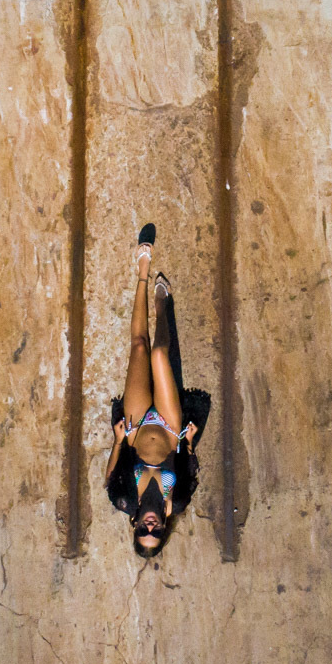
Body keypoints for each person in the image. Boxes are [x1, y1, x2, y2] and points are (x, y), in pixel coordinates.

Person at [105, 225, 200, 558]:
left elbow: (109, 477)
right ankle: (161, 305)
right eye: (156, 532)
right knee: (161, 355)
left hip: (135, 428)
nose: (149, 527)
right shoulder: (179, 500)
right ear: (163, 525)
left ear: (134, 526)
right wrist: (187, 441)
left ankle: (143, 272)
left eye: (143, 532)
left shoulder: (125, 499)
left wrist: (118, 440)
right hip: (170, 428)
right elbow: (189, 468)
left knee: (141, 348)